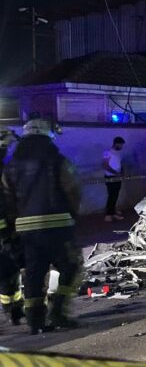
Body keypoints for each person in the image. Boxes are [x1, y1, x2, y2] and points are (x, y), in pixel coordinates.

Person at [2, 119, 82, 334]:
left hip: (26, 230)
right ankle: (58, 311)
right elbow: (72, 189)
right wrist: (72, 214)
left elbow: (8, 199)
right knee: (71, 267)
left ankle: (34, 321)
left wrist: (14, 224)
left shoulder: (11, 166)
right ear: (48, 136)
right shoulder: (57, 160)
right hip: (59, 225)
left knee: (34, 274)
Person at [0, 128, 22, 327]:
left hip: (6, 229)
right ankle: (13, 310)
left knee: (9, 272)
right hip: (5, 232)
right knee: (8, 271)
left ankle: (13, 309)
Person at [102, 136, 125, 222]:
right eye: (121, 145)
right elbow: (105, 165)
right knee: (111, 195)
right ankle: (108, 215)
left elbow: (120, 164)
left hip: (118, 177)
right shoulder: (107, 152)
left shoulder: (118, 153)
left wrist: (122, 171)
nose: (122, 147)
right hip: (110, 177)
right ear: (116, 144)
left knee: (115, 195)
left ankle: (113, 212)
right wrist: (115, 173)